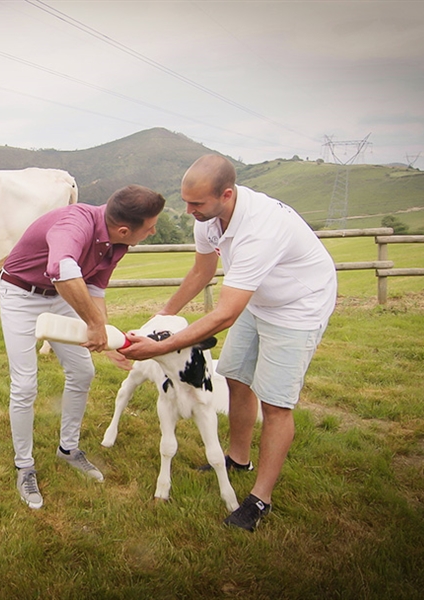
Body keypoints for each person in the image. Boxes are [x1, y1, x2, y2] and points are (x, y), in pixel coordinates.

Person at [118, 154, 337, 532]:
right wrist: (159, 319)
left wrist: (160, 346)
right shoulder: (208, 218)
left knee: (276, 404)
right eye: (186, 202)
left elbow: (224, 315)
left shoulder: (261, 229)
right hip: (257, 299)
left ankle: (259, 499)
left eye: (197, 204)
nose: (189, 211)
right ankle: (238, 459)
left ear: (227, 194)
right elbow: (202, 271)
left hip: (298, 306)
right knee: (235, 377)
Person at [0, 185, 165, 509]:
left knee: (82, 370)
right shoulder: (75, 223)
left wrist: (110, 340)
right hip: (20, 293)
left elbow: (94, 290)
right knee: (24, 384)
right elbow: (62, 270)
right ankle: (24, 465)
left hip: (62, 296)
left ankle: (68, 449)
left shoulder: (117, 243)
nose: (154, 230)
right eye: (150, 226)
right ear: (124, 229)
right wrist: (93, 325)